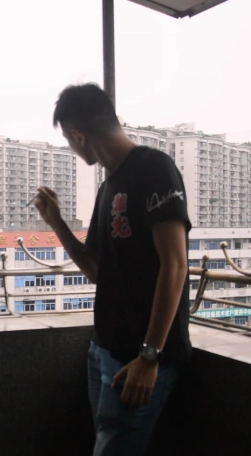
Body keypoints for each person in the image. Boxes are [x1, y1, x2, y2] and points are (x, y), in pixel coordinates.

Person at [34, 83, 192, 455]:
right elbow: (96, 270)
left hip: (142, 358)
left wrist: (150, 356)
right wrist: (56, 223)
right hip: (104, 350)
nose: (73, 149)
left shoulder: (154, 168)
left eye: (69, 141)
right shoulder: (109, 186)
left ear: (78, 135)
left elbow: (175, 264)